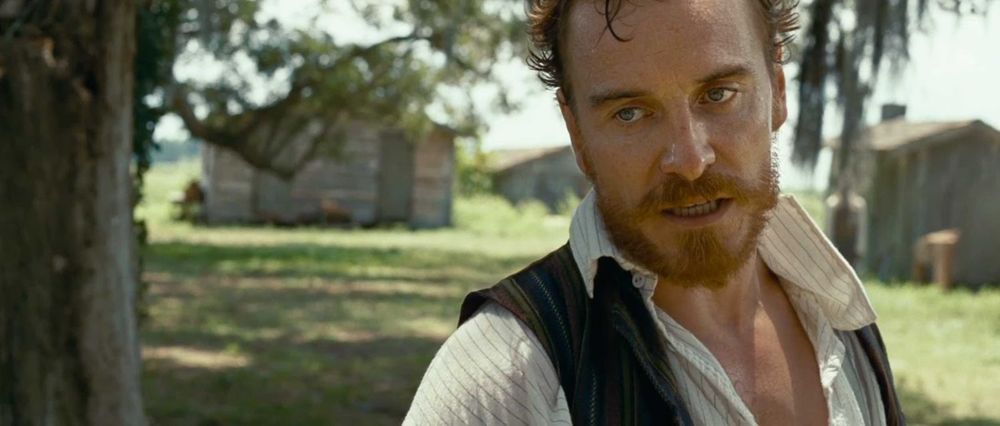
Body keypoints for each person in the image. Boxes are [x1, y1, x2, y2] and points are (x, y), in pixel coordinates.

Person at [405, 0, 904, 424]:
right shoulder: (506, 376)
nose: (689, 160)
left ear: (777, 90)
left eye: (719, 95)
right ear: (577, 133)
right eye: (630, 113)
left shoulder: (838, 314)